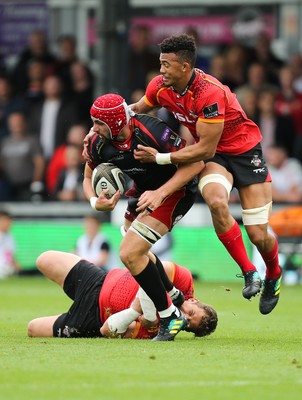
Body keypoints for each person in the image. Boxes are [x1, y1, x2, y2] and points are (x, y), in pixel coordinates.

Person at [130, 34, 282, 315]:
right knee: (215, 201)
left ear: (185, 67)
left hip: (245, 153)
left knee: (258, 234)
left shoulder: (209, 93)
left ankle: (273, 273)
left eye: (166, 65)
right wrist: (109, 119)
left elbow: (203, 148)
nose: (161, 70)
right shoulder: (161, 87)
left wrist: (160, 158)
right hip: (216, 158)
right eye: (160, 63)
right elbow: (138, 109)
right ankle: (249, 272)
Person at [83, 93, 203, 341]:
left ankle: (169, 315)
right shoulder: (97, 141)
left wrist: (161, 193)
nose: (93, 129)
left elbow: (196, 163)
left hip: (176, 191)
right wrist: (96, 202)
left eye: (98, 123)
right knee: (136, 252)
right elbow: (87, 177)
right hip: (142, 192)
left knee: (129, 252)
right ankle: (173, 293)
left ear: (116, 123)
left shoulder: (152, 130)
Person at [27, 250, 218, 339]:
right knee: (43, 259)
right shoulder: (183, 282)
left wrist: (137, 313)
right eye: (191, 313)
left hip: (91, 318)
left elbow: (106, 331)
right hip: (98, 279)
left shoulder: (160, 329)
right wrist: (148, 308)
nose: (184, 317)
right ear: (195, 300)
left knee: (33, 329)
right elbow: (152, 262)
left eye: (187, 324)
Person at [0, 209, 20, 279]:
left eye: (9, 221)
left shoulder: (9, 236)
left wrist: (16, 266)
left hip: (8, 268)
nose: (8, 223)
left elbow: (10, 254)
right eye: (5, 221)